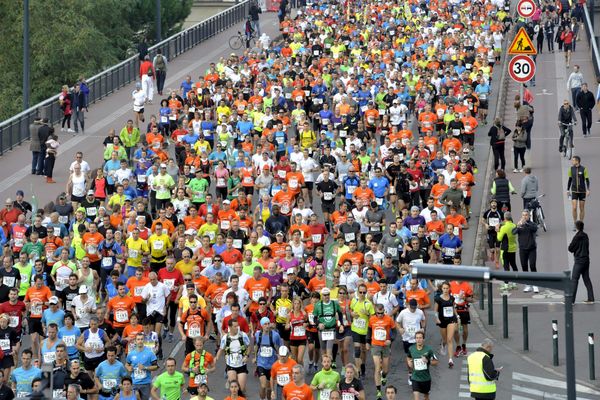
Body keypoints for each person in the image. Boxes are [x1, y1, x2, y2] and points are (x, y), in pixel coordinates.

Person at [512, 210, 539, 293]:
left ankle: (535, 284)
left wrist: (526, 223)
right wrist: (517, 226)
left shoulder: (531, 224)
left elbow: (535, 229)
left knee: (532, 265)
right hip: (522, 249)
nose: (524, 217)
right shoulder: (520, 225)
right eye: (523, 215)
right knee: (524, 266)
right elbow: (513, 232)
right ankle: (527, 284)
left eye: (526, 215)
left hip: (532, 248)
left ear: (529, 216)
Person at [407, 331, 438, 400]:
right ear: (415, 339)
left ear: (423, 339)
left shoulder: (428, 350)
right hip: (415, 377)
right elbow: (408, 357)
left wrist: (428, 361)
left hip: (425, 378)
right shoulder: (411, 349)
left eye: (420, 338)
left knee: (426, 396)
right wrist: (409, 362)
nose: (418, 340)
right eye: (417, 338)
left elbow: (436, 362)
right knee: (416, 396)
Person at [569, 220, 594, 304]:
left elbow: (570, 248)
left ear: (577, 227)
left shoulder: (577, 237)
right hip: (586, 260)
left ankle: (571, 301)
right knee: (587, 279)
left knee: (574, 280)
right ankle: (591, 298)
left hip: (579, 261)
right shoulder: (586, 235)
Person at [567, 156, 590, 224]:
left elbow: (587, 180)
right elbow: (570, 180)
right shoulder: (571, 169)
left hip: (582, 191)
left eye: (573, 160)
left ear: (577, 161)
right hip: (574, 191)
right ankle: (575, 223)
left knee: (581, 208)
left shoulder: (584, 169)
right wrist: (567, 190)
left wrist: (588, 189)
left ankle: (581, 223)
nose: (572, 162)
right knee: (574, 208)